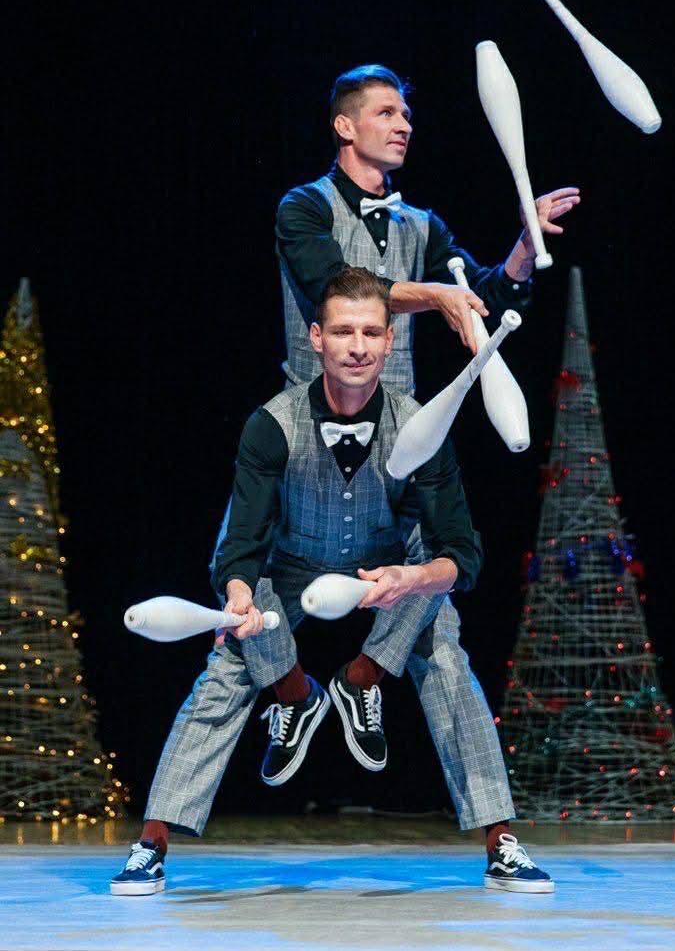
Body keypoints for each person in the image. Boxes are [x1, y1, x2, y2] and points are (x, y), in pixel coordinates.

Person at [111, 270, 554, 896]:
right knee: (227, 665)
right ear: (316, 338)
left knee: (445, 651)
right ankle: (155, 840)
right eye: (343, 331)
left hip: (389, 568)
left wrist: (414, 578)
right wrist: (237, 599)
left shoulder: (422, 423)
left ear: (391, 341)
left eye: (371, 333)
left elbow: (462, 552)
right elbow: (242, 541)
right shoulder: (271, 424)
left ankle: (496, 837)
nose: (358, 346)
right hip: (290, 565)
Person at [277, 63, 580, 393]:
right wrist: (435, 295)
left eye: (406, 116)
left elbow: (486, 303)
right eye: (386, 113)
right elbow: (336, 287)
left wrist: (527, 244)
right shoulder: (305, 205)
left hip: (401, 416)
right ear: (345, 127)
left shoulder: (421, 225)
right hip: (312, 413)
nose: (404, 126)